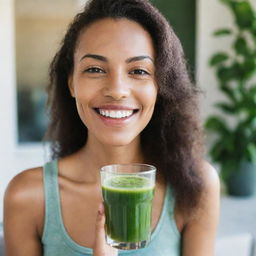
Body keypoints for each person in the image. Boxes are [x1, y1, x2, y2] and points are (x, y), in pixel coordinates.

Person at [3, 0, 220, 255]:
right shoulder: (27, 197)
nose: (117, 90)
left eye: (138, 71)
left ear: (160, 86)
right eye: (95, 69)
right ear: (71, 82)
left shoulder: (196, 187)